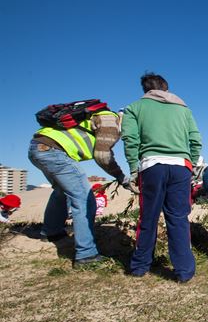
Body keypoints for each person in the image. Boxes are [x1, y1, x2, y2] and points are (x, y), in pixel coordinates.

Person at [121, 72, 202, 282]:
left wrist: (133, 168)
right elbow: (195, 139)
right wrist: (190, 163)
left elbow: (130, 139)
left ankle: (140, 267)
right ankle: (184, 271)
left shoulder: (134, 108)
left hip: (152, 166)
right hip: (180, 167)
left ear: (146, 90)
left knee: (148, 217)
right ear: (166, 88)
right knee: (178, 218)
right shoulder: (184, 109)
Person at [28, 105, 131, 266]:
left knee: (62, 192)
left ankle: (51, 231)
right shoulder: (111, 122)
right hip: (54, 152)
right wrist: (121, 177)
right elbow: (102, 156)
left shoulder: (99, 116)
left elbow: (102, 152)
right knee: (84, 199)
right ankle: (86, 255)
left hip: (39, 148)